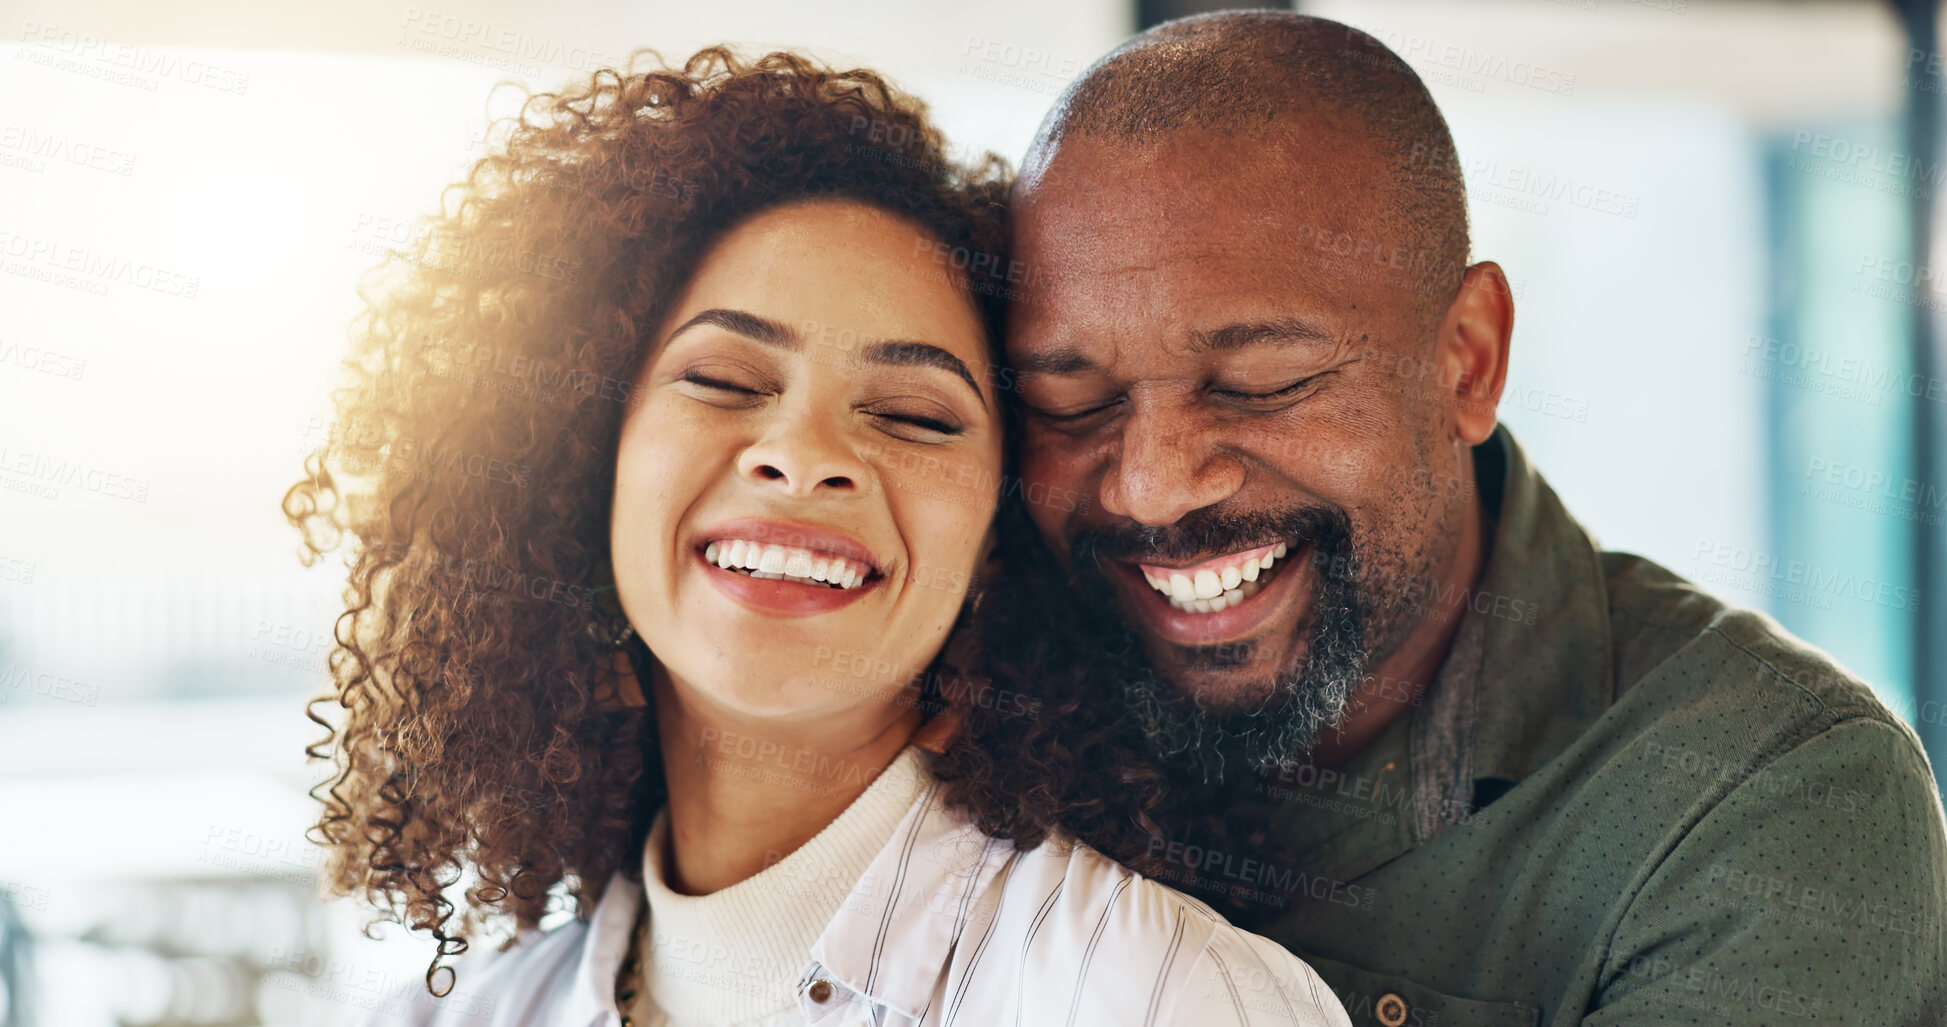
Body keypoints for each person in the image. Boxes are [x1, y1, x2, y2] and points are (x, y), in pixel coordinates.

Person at [284, 45, 1351, 1027]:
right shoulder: (452, 1016)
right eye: (723, 381)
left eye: (913, 414)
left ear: (995, 544)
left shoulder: (1162, 998)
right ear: (578, 474)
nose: (802, 454)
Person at [998, 11, 1947, 1025]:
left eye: (1260, 382)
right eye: (1072, 403)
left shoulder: (1771, 795)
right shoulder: (968, 690)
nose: (1153, 485)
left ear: (1469, 358)